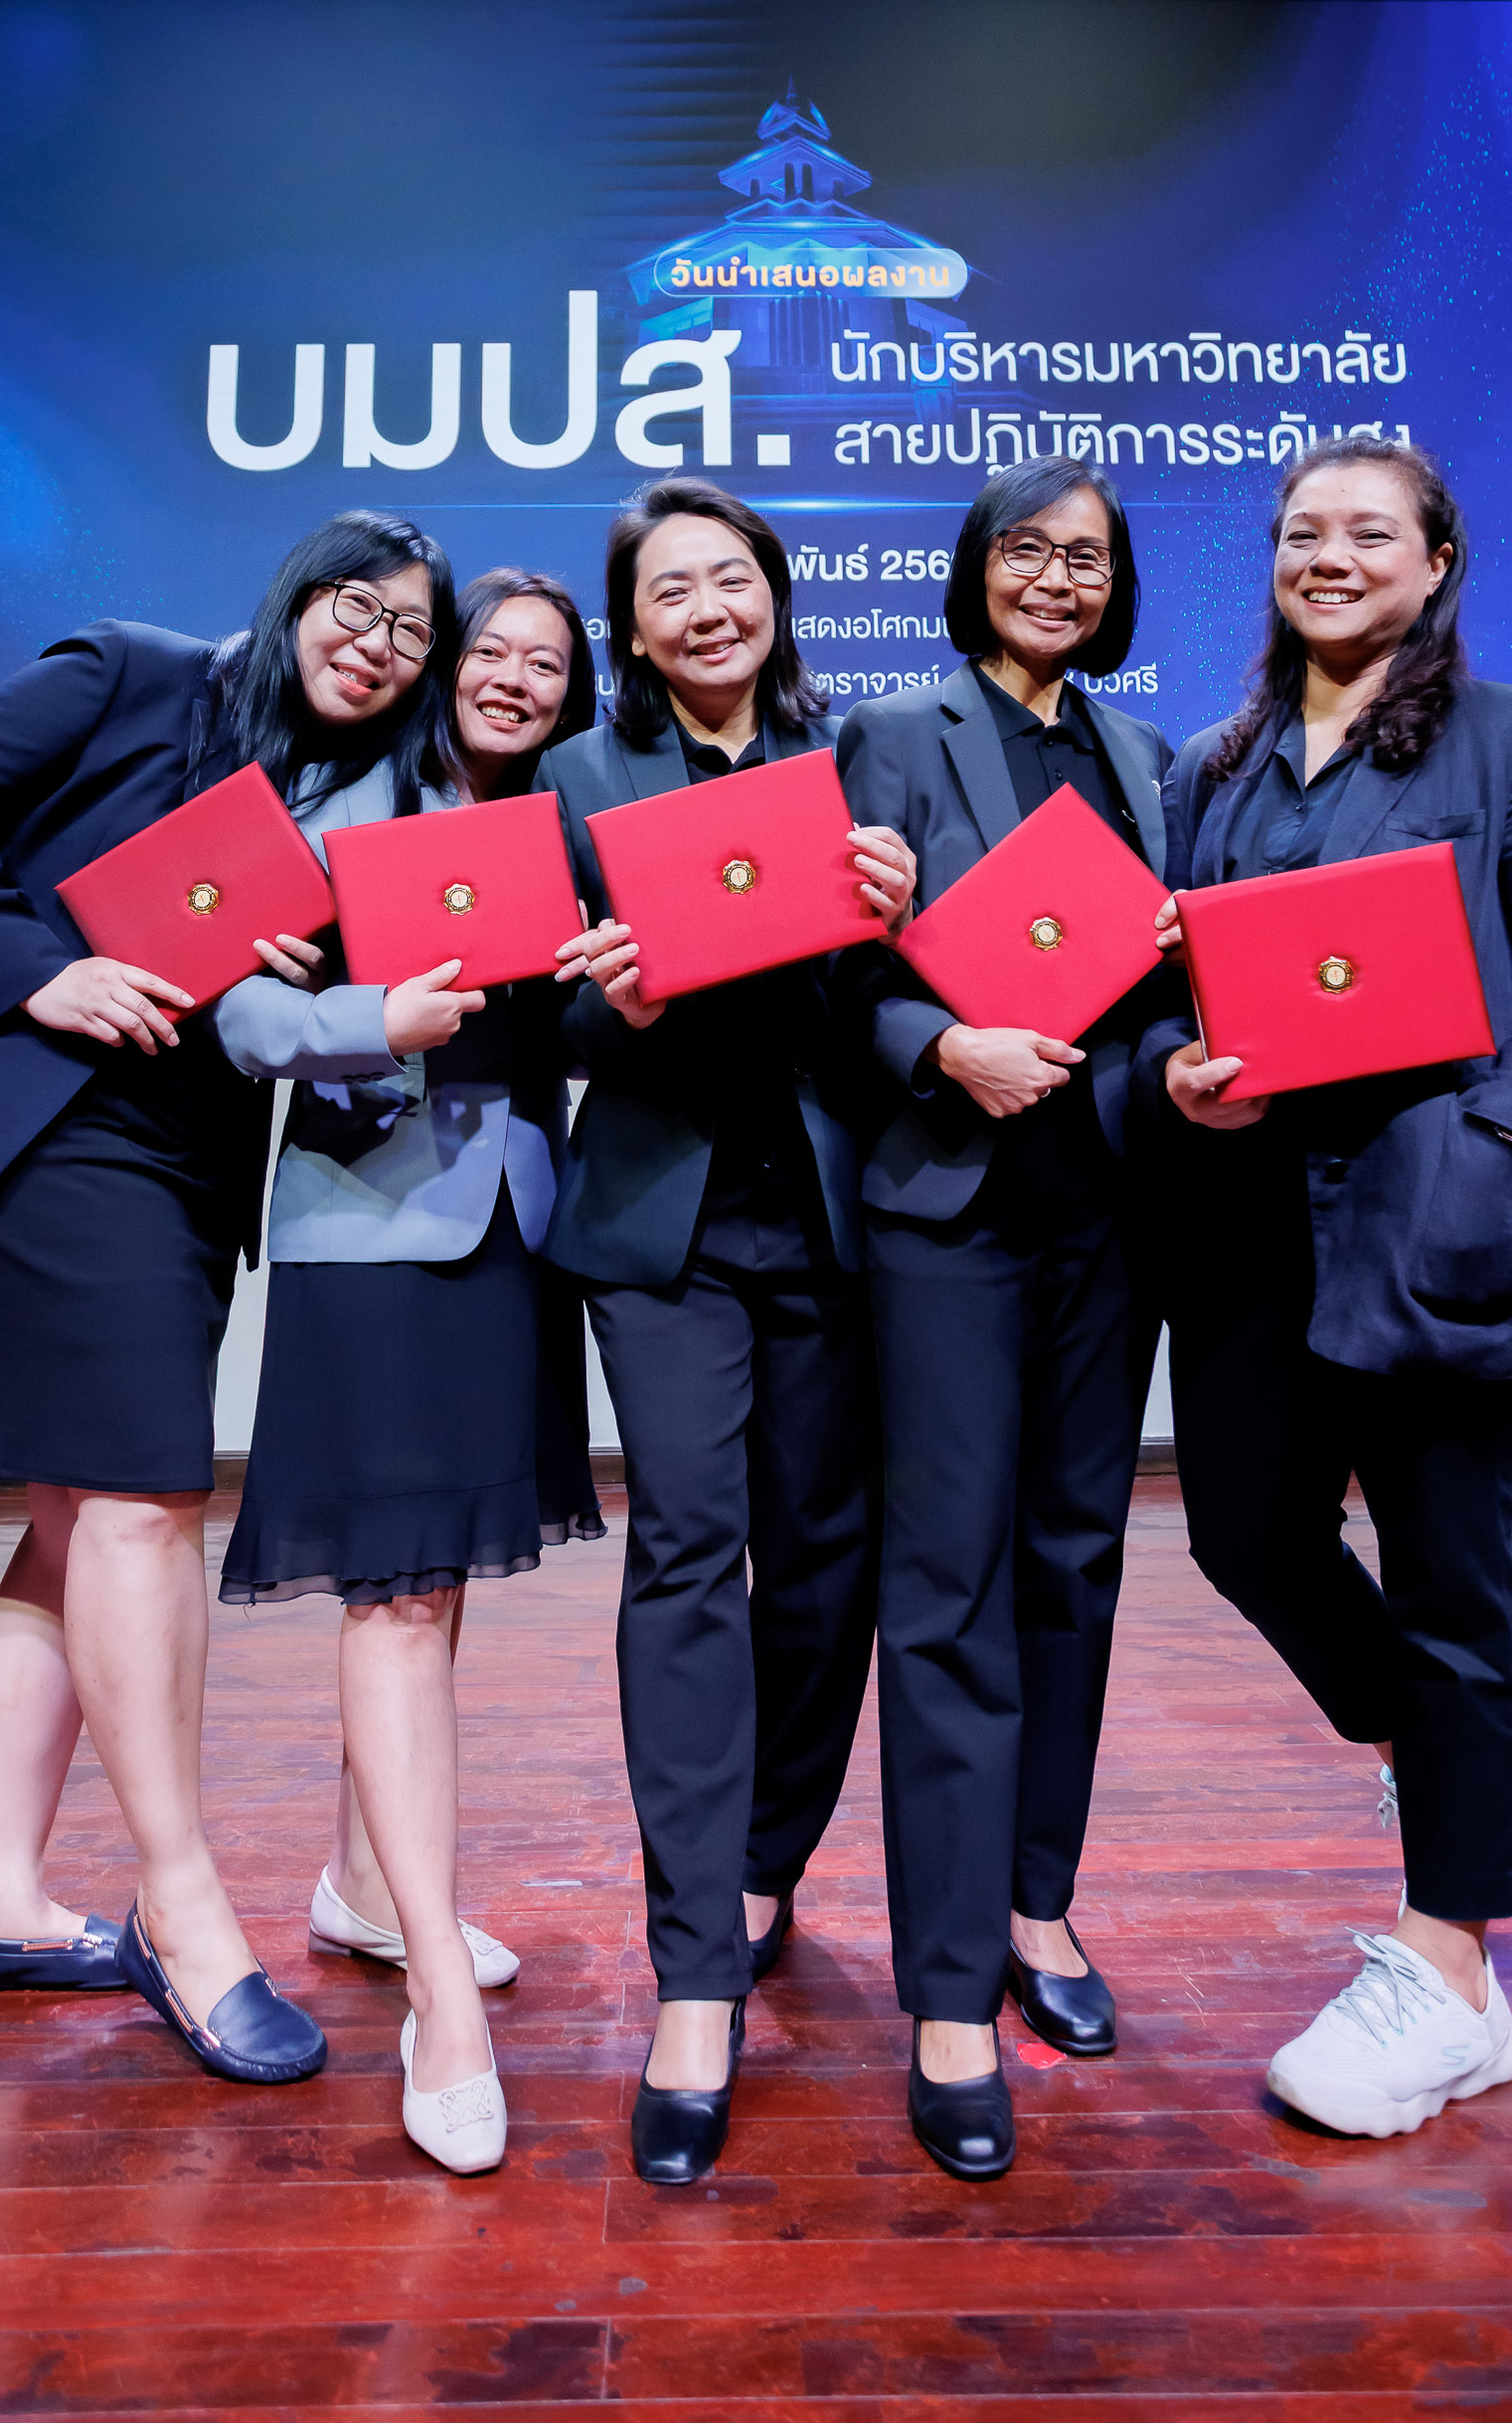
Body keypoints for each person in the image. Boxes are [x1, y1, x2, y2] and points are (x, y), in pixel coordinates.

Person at [1146, 441, 1512, 2141]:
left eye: (1371, 533)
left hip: (1430, 1231)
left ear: (1437, 563)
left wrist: (1495, 1138)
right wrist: (1180, 1075)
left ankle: (1448, 1973)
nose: (1331, 556)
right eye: (1303, 533)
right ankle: (1434, 1760)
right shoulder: (1213, 771)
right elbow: (1167, 984)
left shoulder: (1506, 737)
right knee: (1243, 1532)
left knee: (1452, 1587)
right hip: (1241, 1232)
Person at [0, 567, 367, 2087]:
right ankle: (182, 1911)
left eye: (413, 632)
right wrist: (44, 973)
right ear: (297, 600)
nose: (378, 645)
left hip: (180, 1154)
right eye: (356, 606)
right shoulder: (139, 671)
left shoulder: (338, 784)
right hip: (48, 1131)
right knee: (141, 1502)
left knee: (79, 1516)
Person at [537, 478, 918, 2188]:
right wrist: (596, 999)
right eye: (668, 588)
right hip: (665, 1228)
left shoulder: (865, 766)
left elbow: (899, 1002)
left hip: (836, 1220)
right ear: (634, 628)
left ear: (774, 592)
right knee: (687, 1553)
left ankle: (768, 1861)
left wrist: (899, 910)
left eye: (729, 576)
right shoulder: (577, 778)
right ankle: (695, 1968)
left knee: (826, 1563)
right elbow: (528, 990)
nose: (704, 607)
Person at [214, 558, 604, 2176]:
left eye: (547, 662)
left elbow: (570, 1041)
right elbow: (237, 1010)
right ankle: (441, 1994)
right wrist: (382, 1021)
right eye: (492, 651)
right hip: (364, 1237)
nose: (514, 677)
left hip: (512, 1232)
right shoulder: (334, 807)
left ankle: (366, 1890)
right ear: (445, 663)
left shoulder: (577, 830)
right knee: (397, 1594)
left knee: (432, 1585)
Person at [835, 459, 1173, 2179]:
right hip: (949, 1221)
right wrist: (937, 1046)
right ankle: (951, 1991)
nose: (1057, 579)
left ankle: (1041, 1905)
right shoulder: (890, 732)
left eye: (1087, 559)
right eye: (1027, 552)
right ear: (973, 570)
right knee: (948, 1588)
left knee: (1074, 1573)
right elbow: (837, 972)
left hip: (1108, 1223)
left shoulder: (1144, 759)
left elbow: (1159, 982)